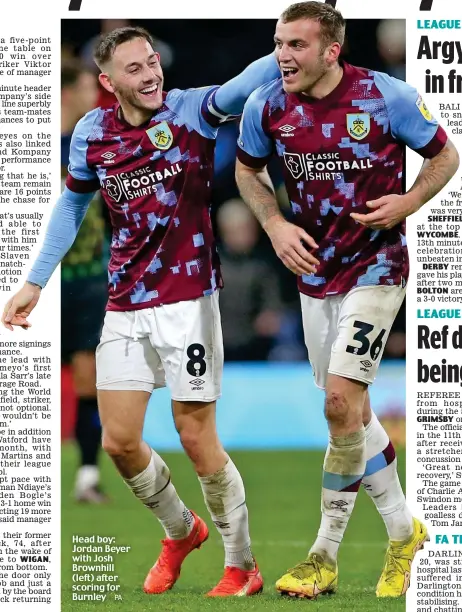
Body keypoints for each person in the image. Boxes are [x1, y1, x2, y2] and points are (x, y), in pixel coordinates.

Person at [2, 26, 281, 597]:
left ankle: (242, 566)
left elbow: (243, 85)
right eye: (134, 68)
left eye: (152, 62)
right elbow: (71, 206)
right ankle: (181, 531)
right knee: (119, 442)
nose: (150, 73)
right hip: (125, 304)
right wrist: (33, 282)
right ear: (108, 82)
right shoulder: (92, 133)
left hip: (190, 301)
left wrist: (290, 46)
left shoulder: (190, 111)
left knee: (195, 434)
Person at [235, 1, 459, 599]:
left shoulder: (386, 97)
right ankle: (404, 531)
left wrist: (410, 202)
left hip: (377, 266)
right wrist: (276, 225)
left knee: (339, 403)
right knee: (353, 414)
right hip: (314, 275)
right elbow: (247, 173)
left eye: (296, 46)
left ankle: (322, 556)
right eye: (279, 43)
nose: (283, 55)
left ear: (331, 50)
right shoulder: (266, 105)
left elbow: (445, 155)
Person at [61, 60, 109, 503]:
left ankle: (88, 477)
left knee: (86, 379)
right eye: (85, 90)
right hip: (46, 283)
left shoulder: (90, 144)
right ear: (65, 94)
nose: (94, 99)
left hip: (87, 281)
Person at [217, 198, 282, 361]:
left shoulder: (264, 264)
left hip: (255, 342)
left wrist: (269, 315)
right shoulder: (210, 266)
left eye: (249, 229)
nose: (246, 236)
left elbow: (272, 301)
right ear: (226, 232)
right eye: (239, 230)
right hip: (217, 343)